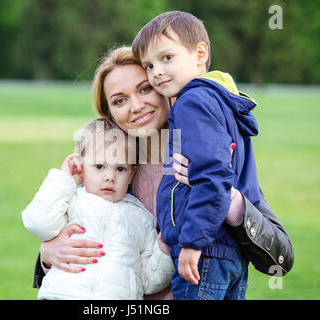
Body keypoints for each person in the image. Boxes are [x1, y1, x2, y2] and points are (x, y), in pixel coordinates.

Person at [31, 46, 294, 299]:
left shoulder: (206, 155)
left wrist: (225, 196)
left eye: (144, 89)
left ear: (163, 85)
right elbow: (81, 231)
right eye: (119, 100)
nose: (135, 106)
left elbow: (281, 259)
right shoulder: (114, 169)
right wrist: (47, 254)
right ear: (109, 112)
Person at [131, 10, 269, 299]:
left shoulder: (192, 101)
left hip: (204, 252)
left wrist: (192, 243)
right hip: (230, 252)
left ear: (200, 53)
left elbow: (213, 176)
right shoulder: (220, 99)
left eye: (166, 58)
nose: (156, 71)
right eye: (149, 65)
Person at [22, 118, 174, 299]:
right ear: (80, 165)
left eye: (120, 169)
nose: (110, 176)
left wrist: (164, 251)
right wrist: (63, 180)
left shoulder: (141, 218)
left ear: (132, 173)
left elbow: (148, 281)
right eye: (100, 166)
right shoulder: (70, 201)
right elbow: (39, 224)